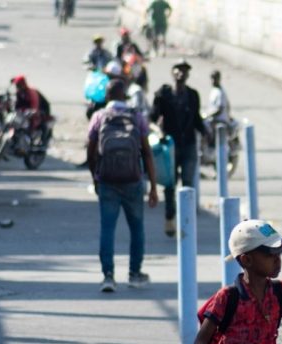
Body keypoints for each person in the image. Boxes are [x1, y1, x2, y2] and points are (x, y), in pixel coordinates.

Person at [86, 79, 158, 293]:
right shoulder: (136, 117)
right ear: (124, 95)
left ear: (107, 96)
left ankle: (108, 276)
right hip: (133, 180)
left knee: (107, 229)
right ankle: (135, 274)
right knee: (137, 228)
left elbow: (90, 151)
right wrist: (153, 186)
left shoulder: (99, 117)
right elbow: (147, 152)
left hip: (107, 181)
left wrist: (95, 178)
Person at [150, 58, 205, 237]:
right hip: (170, 146)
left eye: (184, 70)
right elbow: (151, 119)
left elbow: (196, 118)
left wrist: (207, 132)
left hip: (188, 144)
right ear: (172, 72)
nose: (181, 73)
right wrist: (158, 131)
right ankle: (170, 217)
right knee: (170, 184)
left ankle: (187, 220)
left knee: (188, 183)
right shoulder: (163, 94)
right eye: (178, 69)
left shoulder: (193, 95)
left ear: (188, 74)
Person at [12, 75, 52, 144]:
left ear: (22, 84)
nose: (17, 87)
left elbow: (34, 106)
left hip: (41, 109)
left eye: (18, 85)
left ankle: (36, 141)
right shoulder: (19, 93)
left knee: (33, 122)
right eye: (16, 85)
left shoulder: (31, 92)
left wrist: (33, 112)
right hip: (28, 110)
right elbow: (17, 105)